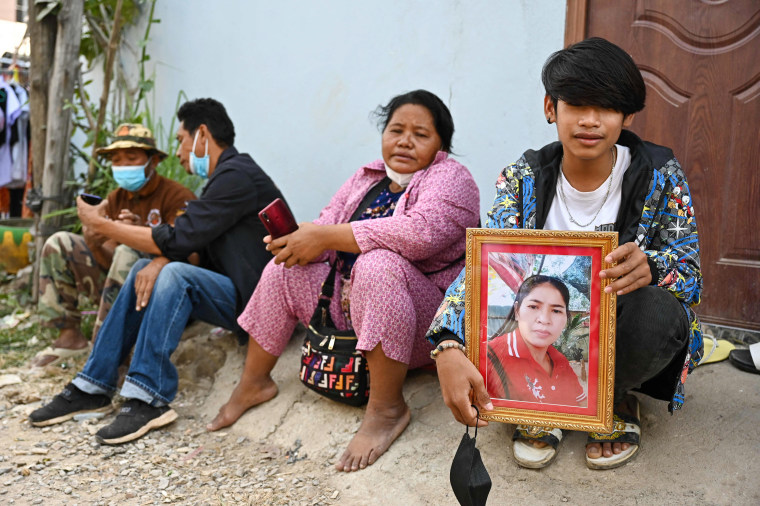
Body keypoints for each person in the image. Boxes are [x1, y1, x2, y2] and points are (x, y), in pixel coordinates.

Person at [428, 37, 703, 470]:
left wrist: (653, 266)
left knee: (659, 313)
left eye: (607, 108)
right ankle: (544, 403)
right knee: (508, 306)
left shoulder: (658, 173)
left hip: (619, 325)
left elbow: (690, 272)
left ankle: (613, 400)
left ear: (628, 116)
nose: (590, 121)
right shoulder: (523, 177)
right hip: (542, 326)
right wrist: (446, 342)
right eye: (576, 105)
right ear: (550, 109)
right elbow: (484, 265)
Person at [207, 89, 480, 473]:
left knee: (378, 264)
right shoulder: (367, 176)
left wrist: (325, 236)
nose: (404, 140)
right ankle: (254, 382)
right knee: (285, 269)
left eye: (420, 134)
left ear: (440, 145)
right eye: (395, 129)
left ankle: (387, 409)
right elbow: (326, 223)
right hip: (352, 308)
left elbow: (419, 234)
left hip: (425, 324)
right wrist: (301, 240)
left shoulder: (453, 178)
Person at [29, 98, 287, 445]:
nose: (180, 151)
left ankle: (148, 396)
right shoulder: (222, 181)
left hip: (261, 303)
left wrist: (101, 224)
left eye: (181, 139)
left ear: (203, 135)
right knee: (141, 267)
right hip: (240, 295)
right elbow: (188, 244)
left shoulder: (237, 177)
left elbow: (180, 238)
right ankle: (94, 383)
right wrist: (152, 256)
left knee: (173, 275)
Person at [33, 123, 196, 367]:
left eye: (131, 158)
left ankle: (107, 352)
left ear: (153, 162)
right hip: (121, 289)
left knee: (127, 251)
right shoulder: (116, 198)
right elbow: (110, 263)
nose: (123, 166)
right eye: (117, 160)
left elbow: (190, 254)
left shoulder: (177, 196)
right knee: (59, 242)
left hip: (162, 293)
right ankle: (69, 337)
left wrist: (138, 234)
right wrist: (95, 243)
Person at [486, 275, 586, 407]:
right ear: (517, 311)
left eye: (556, 310)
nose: (544, 319)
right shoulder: (489, 356)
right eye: (533, 307)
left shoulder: (560, 360)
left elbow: (582, 405)